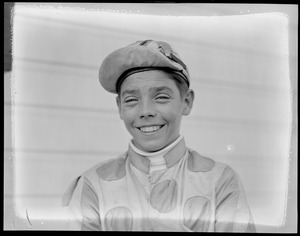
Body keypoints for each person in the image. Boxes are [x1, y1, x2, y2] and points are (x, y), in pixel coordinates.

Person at [62, 39, 256, 232]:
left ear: (186, 102)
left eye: (161, 97)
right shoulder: (93, 186)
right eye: (131, 100)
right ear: (119, 107)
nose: (146, 111)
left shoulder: (220, 181)